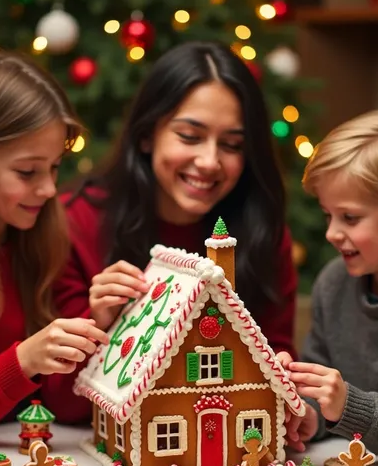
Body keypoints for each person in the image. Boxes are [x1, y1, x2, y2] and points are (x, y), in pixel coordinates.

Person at [57, 41, 298, 359]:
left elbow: (278, 350)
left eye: (232, 145)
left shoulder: (261, 229)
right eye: (190, 136)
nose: (210, 161)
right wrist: (99, 321)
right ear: (147, 135)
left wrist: (281, 369)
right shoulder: (76, 221)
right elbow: (54, 395)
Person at [0, 51, 108, 446]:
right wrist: (23, 361)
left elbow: (63, 405)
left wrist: (99, 320)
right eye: (27, 171)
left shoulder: (39, 237)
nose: (50, 189)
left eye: (55, 167)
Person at [285, 108, 378, 462]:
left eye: (350, 217)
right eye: (327, 215)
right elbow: (319, 391)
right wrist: (310, 414)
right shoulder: (333, 284)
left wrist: (351, 406)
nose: (331, 233)